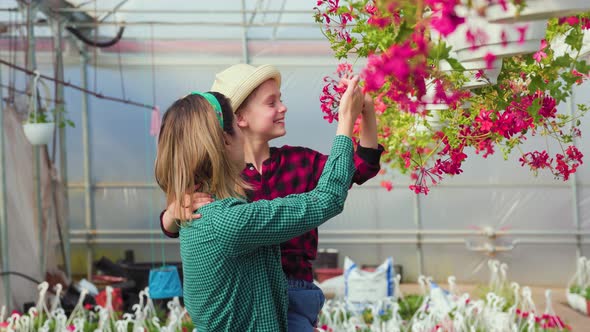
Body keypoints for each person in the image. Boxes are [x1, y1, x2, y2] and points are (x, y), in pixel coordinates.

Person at [161, 64, 383, 330]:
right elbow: (328, 198)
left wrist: (364, 113)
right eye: (271, 102)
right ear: (236, 124)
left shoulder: (294, 162)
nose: (283, 107)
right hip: (258, 295)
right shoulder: (220, 201)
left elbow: (357, 167)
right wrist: (345, 118)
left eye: (281, 99)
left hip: (288, 293)